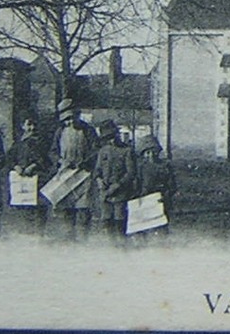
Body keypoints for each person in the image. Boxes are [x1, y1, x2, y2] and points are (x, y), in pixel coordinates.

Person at [49, 99, 98, 238]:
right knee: (66, 212)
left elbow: (96, 150)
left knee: (83, 211)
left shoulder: (88, 130)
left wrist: (84, 162)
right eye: (66, 119)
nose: (69, 122)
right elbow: (53, 151)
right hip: (65, 175)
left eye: (72, 118)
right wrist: (59, 161)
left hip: (84, 176)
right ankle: (68, 242)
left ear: (77, 115)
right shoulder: (60, 131)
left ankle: (82, 241)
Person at [92, 119, 137, 240]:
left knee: (119, 221)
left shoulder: (127, 150)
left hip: (120, 192)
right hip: (105, 192)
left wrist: (118, 185)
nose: (111, 140)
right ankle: (109, 248)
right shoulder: (103, 151)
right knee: (106, 221)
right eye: (108, 138)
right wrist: (99, 181)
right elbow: (97, 170)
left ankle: (121, 247)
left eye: (113, 136)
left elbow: (131, 172)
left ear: (118, 134)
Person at [7, 117, 50, 232]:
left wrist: (34, 166)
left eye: (34, 125)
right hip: (22, 182)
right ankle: (26, 232)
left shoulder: (42, 142)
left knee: (39, 209)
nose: (32, 128)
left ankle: (39, 234)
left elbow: (46, 159)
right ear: (23, 126)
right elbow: (9, 159)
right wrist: (16, 167)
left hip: (38, 179)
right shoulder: (18, 144)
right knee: (24, 208)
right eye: (29, 124)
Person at [134, 134, 176, 238]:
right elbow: (135, 184)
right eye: (147, 152)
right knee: (142, 230)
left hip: (160, 202)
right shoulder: (140, 167)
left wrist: (165, 195)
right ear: (143, 154)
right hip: (144, 202)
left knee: (161, 230)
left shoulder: (165, 166)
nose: (151, 155)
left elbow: (172, 185)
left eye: (154, 152)